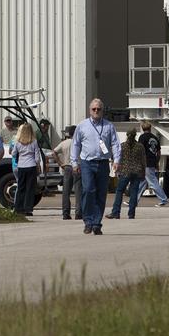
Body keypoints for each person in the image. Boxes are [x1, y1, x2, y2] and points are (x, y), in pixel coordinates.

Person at [71, 99, 121, 236]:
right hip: (87, 162)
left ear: (102, 110)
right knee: (88, 190)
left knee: (101, 193)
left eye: (98, 109)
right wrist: (74, 162)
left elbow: (115, 144)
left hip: (103, 163)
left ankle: (97, 223)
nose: (96, 111)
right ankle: (88, 221)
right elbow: (75, 144)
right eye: (94, 109)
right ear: (89, 110)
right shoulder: (82, 126)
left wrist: (116, 160)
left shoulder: (109, 126)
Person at [107, 129, 146, 220]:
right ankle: (131, 214)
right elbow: (143, 160)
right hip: (137, 171)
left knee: (119, 191)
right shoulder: (140, 146)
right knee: (134, 193)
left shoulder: (123, 146)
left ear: (127, 135)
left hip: (125, 171)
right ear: (135, 135)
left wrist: (117, 170)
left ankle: (116, 212)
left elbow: (116, 157)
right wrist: (144, 172)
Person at [13, 123, 42, 216]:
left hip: (21, 166)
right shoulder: (34, 141)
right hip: (31, 166)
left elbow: (13, 153)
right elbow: (37, 156)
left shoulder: (17, 142)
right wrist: (38, 165)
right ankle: (28, 209)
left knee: (21, 187)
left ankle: (18, 208)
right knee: (30, 188)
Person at [137, 120, 168, 207]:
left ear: (143, 129)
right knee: (141, 183)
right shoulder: (155, 138)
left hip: (145, 163)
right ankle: (134, 200)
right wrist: (156, 162)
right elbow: (158, 152)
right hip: (152, 162)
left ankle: (163, 199)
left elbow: (140, 150)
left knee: (153, 183)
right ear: (150, 128)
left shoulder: (142, 137)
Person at [53, 126, 82, 220]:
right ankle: (78, 213)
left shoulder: (64, 143)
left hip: (67, 167)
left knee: (66, 191)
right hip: (78, 167)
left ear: (68, 134)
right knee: (78, 191)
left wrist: (60, 163)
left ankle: (66, 213)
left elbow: (54, 152)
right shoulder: (79, 143)